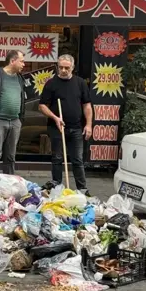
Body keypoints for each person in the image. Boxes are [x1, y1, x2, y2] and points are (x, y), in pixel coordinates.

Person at [38, 54, 93, 194]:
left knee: (77, 159)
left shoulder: (80, 83)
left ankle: (82, 188)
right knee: (57, 158)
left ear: (72, 67)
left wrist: (88, 125)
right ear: (57, 67)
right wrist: (55, 118)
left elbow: (87, 105)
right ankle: (56, 185)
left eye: (66, 68)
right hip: (56, 127)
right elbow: (42, 106)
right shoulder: (51, 83)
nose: (63, 70)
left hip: (76, 127)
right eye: (61, 67)